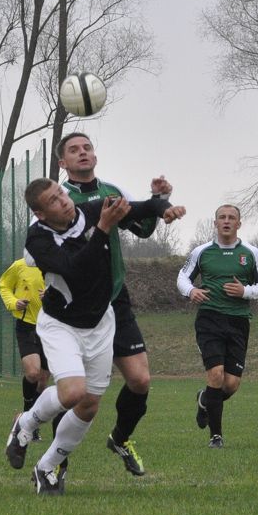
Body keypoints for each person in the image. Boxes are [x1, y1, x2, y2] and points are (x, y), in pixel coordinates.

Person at [5, 177, 185, 495]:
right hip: (61, 324)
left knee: (88, 405)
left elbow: (141, 207)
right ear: (41, 213)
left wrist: (164, 206)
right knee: (73, 392)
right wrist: (102, 229)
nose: (63, 200)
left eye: (61, 193)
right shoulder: (38, 239)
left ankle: (46, 467)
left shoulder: (88, 210)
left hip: (101, 323)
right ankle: (27, 423)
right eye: (53, 200)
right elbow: (76, 271)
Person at [56, 132, 172, 476]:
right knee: (76, 394)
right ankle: (57, 462)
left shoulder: (112, 192)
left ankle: (120, 439)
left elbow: (144, 229)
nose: (82, 153)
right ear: (63, 162)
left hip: (115, 299)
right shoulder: (59, 199)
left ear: (95, 155)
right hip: (75, 306)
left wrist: (159, 198)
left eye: (87, 148)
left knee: (140, 381)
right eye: (74, 150)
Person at [176, 205, 258, 448]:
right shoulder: (202, 251)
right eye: (222, 217)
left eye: (232, 218)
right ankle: (216, 436)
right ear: (215, 223)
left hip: (238, 321)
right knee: (216, 375)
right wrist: (191, 291)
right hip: (209, 319)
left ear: (239, 224)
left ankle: (204, 400)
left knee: (230, 384)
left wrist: (245, 291)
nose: (227, 221)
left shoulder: (251, 253)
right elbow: (182, 277)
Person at [0, 257, 48, 441]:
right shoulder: (20, 265)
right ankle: (27, 418)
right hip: (27, 325)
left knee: (42, 381)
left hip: (52, 327)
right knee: (33, 373)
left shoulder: (57, 264)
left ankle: (28, 421)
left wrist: (53, 297)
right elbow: (3, 285)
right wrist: (14, 302)